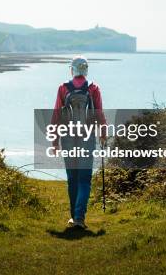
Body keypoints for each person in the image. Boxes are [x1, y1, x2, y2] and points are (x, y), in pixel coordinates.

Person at [51, 56, 106, 229]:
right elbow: (99, 114)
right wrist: (103, 134)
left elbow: (56, 115)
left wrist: (54, 141)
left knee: (72, 178)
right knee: (84, 179)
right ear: (86, 69)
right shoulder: (93, 88)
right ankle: (79, 218)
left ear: (72, 69)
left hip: (67, 138)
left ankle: (73, 217)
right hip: (87, 138)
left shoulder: (63, 88)